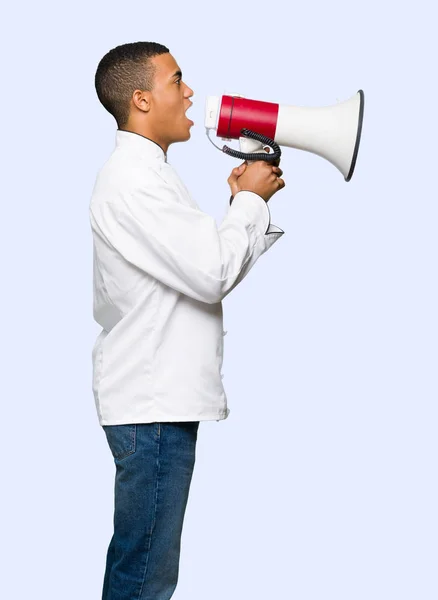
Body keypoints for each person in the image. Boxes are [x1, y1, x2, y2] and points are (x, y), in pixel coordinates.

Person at [90, 41, 286, 600]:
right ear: (142, 99)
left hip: (156, 402)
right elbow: (211, 273)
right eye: (177, 80)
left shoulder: (146, 175)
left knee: (146, 570)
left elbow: (207, 271)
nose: (190, 91)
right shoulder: (134, 179)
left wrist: (247, 208)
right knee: (145, 578)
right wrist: (248, 205)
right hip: (152, 405)